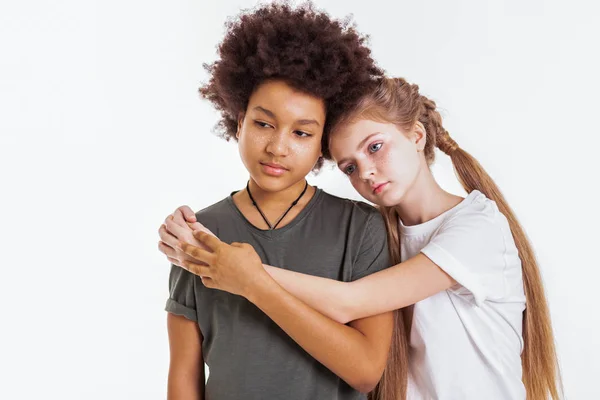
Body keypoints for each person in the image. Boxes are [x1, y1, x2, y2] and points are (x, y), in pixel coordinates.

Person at [163, 77, 562, 400]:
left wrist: (243, 274)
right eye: (350, 166)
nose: (366, 173)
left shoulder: (475, 229)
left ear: (417, 135)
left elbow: (351, 306)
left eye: (376, 147)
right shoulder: (388, 233)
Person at [159, 3, 403, 400]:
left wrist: (255, 285)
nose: (277, 147)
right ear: (239, 122)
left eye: (302, 134)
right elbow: (183, 379)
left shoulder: (360, 229)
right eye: (263, 124)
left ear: (323, 142)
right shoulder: (198, 236)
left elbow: (366, 371)